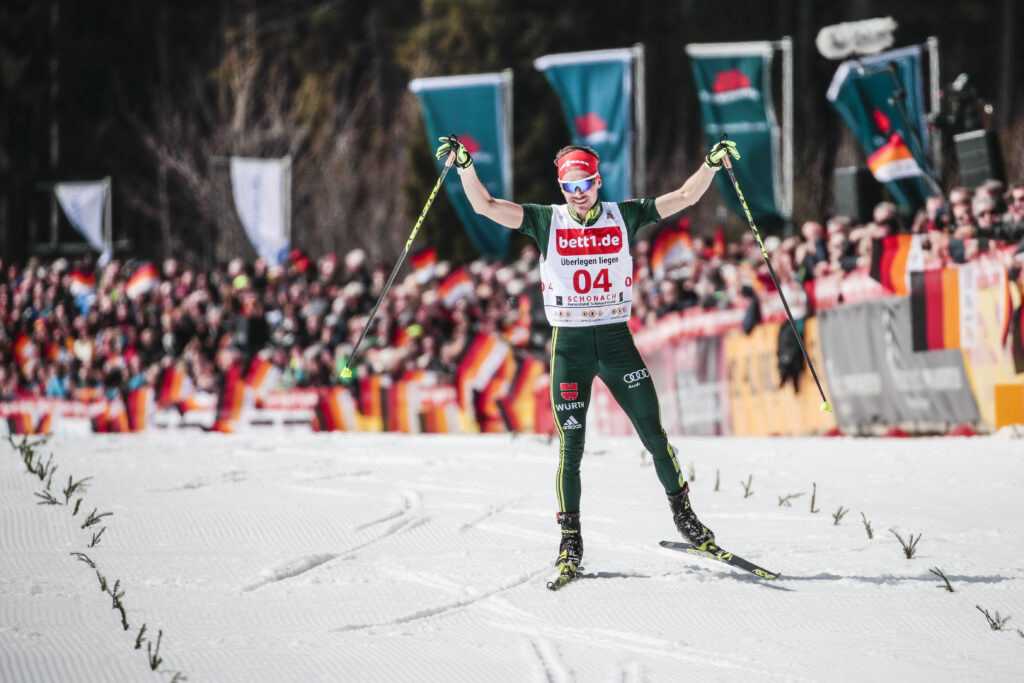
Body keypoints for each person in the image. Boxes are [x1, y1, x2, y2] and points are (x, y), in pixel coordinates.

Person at [436, 134, 738, 583]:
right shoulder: (546, 220)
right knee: (571, 448)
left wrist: (711, 164)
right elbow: (485, 206)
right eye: (570, 187)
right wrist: (465, 165)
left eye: (587, 184)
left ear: (598, 182)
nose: (579, 195)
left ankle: (686, 518)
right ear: (562, 189)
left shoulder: (624, 214)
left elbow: (686, 196)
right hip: (571, 349)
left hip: (616, 344)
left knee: (654, 435)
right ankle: (570, 539)